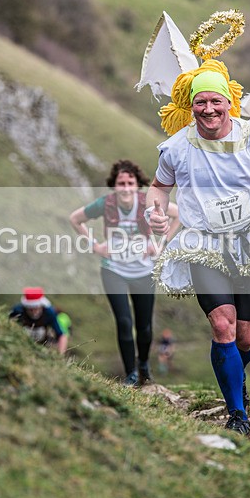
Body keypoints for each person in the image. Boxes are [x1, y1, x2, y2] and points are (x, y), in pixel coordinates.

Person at [145, 59, 250, 435]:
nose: (209, 109)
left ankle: (233, 382)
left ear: (229, 102)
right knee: (223, 325)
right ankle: (237, 416)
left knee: (245, 334)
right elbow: (158, 187)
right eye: (201, 103)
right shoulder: (178, 148)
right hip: (203, 244)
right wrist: (155, 212)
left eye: (216, 101)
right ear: (191, 105)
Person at [69, 159, 179, 386]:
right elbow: (75, 219)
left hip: (144, 270)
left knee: (145, 326)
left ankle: (144, 366)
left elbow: (179, 215)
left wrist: (160, 245)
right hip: (113, 270)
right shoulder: (105, 203)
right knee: (124, 321)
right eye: (121, 182)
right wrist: (96, 246)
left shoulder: (146, 202)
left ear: (138, 184)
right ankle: (130, 374)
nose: (126, 187)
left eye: (130, 182)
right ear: (114, 185)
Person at [10, 286, 69, 354]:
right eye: (30, 309)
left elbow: (62, 335)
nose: (34, 312)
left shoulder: (49, 313)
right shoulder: (18, 311)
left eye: (36, 308)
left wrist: (60, 354)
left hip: (42, 347)